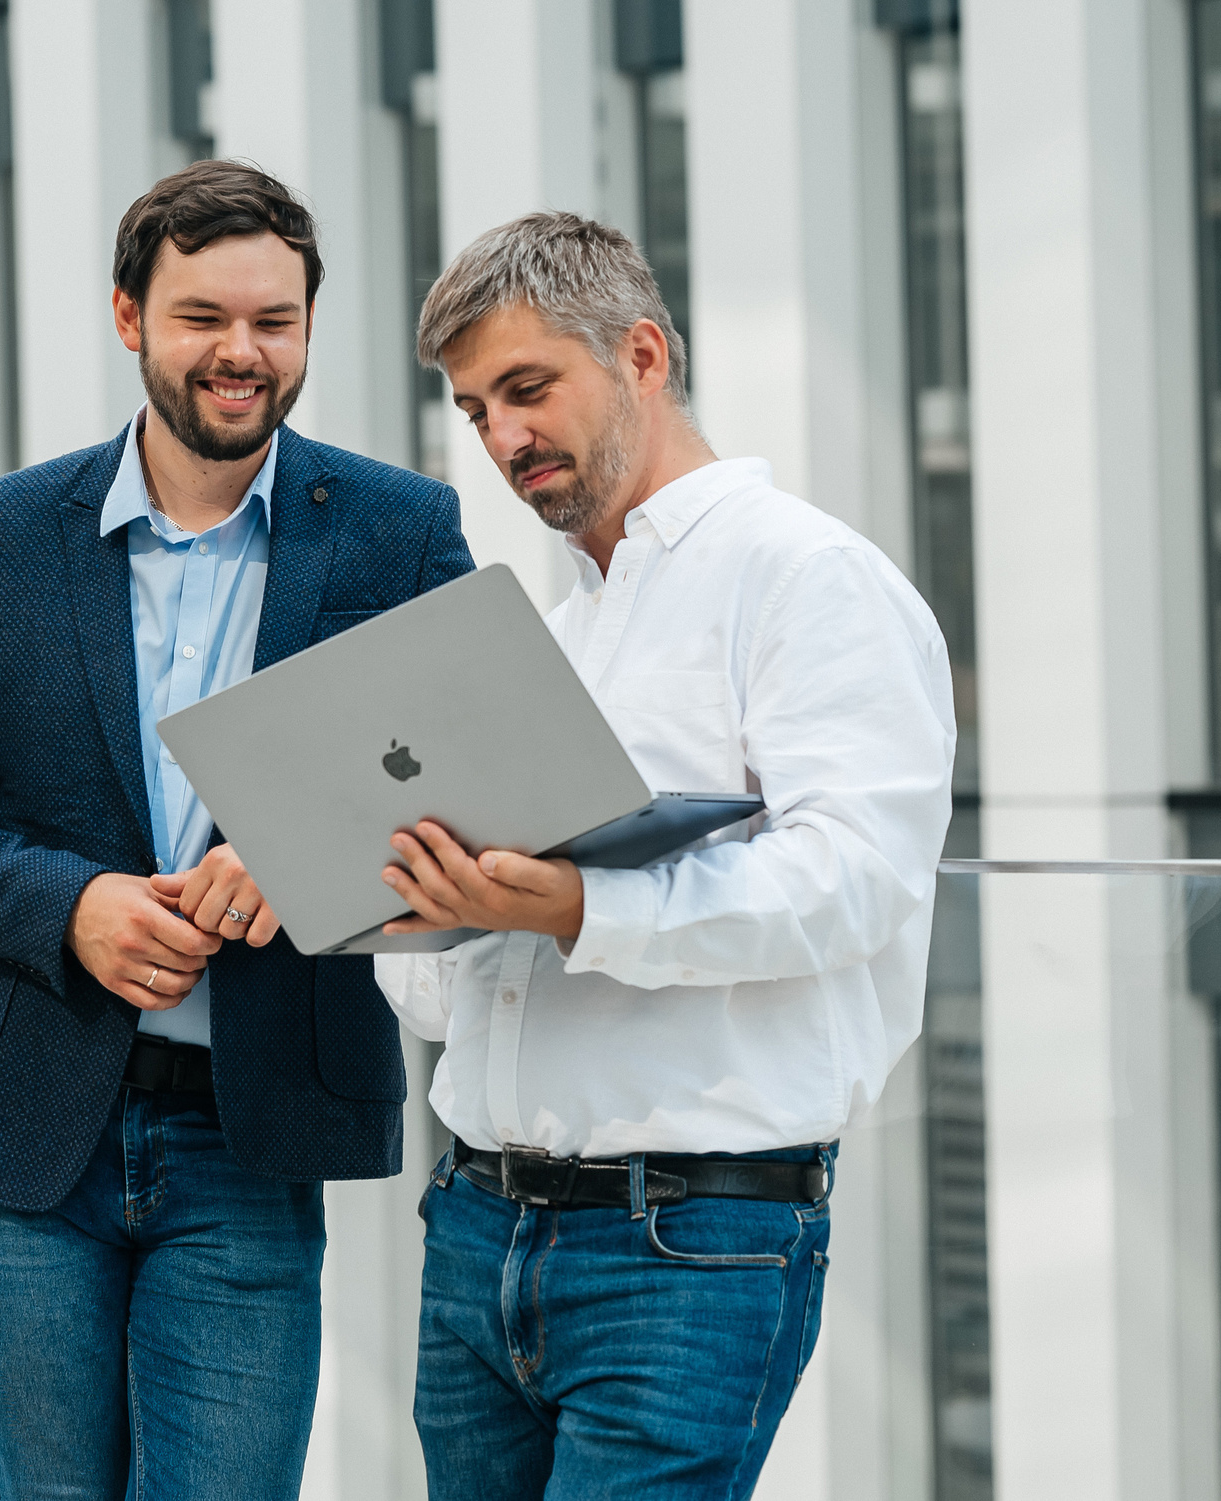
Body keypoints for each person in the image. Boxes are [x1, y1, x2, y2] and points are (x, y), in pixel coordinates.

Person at [0, 161, 475, 1500]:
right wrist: (68, 904)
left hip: (250, 1140)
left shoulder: (398, 531)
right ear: (130, 317)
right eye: (203, 317)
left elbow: (474, 771)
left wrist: (316, 839)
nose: (242, 353)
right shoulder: (1, 538)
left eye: (275, 321)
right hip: (17, 1131)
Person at [374, 212, 956, 1499]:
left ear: (642, 354)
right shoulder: (557, 630)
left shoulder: (808, 581)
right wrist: (416, 918)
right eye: (475, 410)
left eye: (528, 388)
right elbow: (468, 975)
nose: (504, 437)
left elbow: (854, 878)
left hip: (686, 1240)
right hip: (475, 1226)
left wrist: (586, 905)